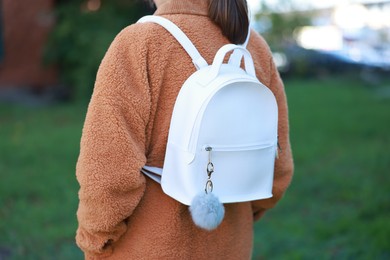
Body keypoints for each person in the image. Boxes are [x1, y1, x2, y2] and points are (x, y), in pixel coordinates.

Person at [75, 0, 294, 259]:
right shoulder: (252, 46)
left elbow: (108, 167)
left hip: (146, 245)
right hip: (230, 243)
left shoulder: (139, 43)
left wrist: (96, 241)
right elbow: (278, 168)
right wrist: (243, 208)